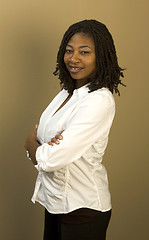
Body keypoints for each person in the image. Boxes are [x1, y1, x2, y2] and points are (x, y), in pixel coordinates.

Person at [24, 19, 125, 240]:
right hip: (55, 204)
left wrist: (31, 142)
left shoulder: (98, 101)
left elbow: (49, 159)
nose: (73, 58)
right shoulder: (66, 93)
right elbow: (44, 142)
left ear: (101, 56)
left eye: (84, 52)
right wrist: (42, 144)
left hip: (83, 209)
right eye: (69, 51)